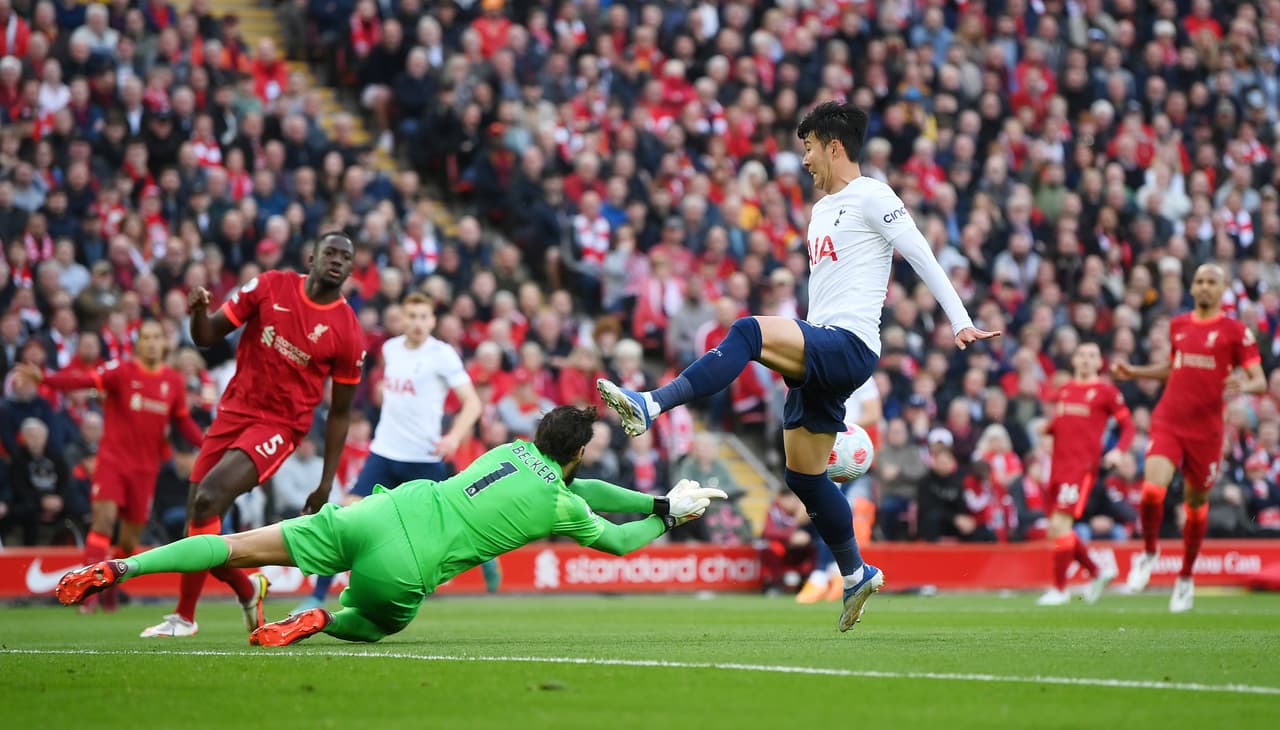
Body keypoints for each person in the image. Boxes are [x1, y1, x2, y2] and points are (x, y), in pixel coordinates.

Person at [596, 101, 998, 631]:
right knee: (803, 477)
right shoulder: (819, 210)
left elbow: (920, 252)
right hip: (821, 352)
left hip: (849, 344)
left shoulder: (874, 195)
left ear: (834, 146)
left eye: (808, 147)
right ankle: (855, 574)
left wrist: (960, 320)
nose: (803, 160)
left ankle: (652, 404)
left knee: (747, 331)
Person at [55, 406, 728, 646]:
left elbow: (583, 481)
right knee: (376, 622)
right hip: (405, 565)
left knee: (232, 543)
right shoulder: (565, 506)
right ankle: (322, 620)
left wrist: (654, 499)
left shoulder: (507, 450)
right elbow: (611, 537)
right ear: (577, 455)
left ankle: (123, 566)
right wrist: (665, 516)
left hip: (378, 510)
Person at [139, 231, 366, 638]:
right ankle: (239, 591)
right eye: (329, 252)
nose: (337, 261)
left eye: (345, 258)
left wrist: (326, 480)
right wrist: (198, 311)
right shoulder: (269, 285)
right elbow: (206, 336)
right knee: (199, 517)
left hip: (280, 425)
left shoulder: (347, 330)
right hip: (232, 411)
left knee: (208, 499)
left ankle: (188, 616)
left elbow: (341, 413)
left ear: (350, 270)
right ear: (311, 257)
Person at [297, 292, 488, 612]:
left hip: (424, 459)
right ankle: (316, 597)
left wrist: (454, 437)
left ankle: (486, 560)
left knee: (452, 526)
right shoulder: (390, 348)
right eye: (411, 316)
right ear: (402, 318)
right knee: (344, 519)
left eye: (423, 317)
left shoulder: (443, 355)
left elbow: (473, 403)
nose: (417, 323)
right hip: (384, 453)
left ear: (433, 321)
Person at [15, 320, 205, 613]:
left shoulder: (173, 381)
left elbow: (183, 422)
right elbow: (84, 380)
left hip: (145, 470)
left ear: (163, 344)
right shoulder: (122, 372)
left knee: (128, 544)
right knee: (102, 523)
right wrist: (46, 379)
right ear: (138, 343)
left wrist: (209, 442)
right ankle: (86, 591)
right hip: (113, 462)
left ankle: (109, 586)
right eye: (146, 337)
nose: (152, 342)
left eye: (157, 337)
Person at [1112, 264, 1265, 612]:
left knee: (1195, 504)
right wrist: (1135, 372)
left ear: (1223, 288)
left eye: (1212, 281)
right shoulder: (1179, 325)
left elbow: (1260, 380)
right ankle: (1148, 554)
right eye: (1199, 281)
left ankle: (1185, 576)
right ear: (1192, 288)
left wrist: (1245, 385)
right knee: (1152, 489)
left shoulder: (1236, 332)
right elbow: (1174, 367)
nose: (1205, 287)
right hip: (1169, 420)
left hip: (1207, 431)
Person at [1036, 341, 1133, 606]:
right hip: (1057, 467)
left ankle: (1059, 589)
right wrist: (1047, 430)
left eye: (1092, 355)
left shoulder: (1106, 391)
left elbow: (1129, 427)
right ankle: (1098, 572)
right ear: (1074, 360)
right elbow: (1063, 424)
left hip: (1081, 468)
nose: (1086, 359)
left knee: (1060, 525)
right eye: (1081, 355)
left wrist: (1118, 451)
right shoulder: (1065, 390)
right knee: (1057, 530)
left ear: (1100, 362)